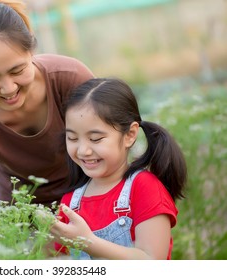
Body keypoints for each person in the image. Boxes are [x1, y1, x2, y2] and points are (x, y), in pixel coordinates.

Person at [0, 0, 94, 208]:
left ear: (31, 52)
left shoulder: (69, 79)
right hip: (22, 216)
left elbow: (110, 155)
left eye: (17, 71)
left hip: (90, 196)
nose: (9, 88)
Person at [50, 78, 187, 259]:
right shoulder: (70, 202)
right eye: (73, 138)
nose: (83, 150)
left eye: (96, 139)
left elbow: (152, 261)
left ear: (130, 135)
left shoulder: (144, 188)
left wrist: (87, 241)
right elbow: (59, 257)